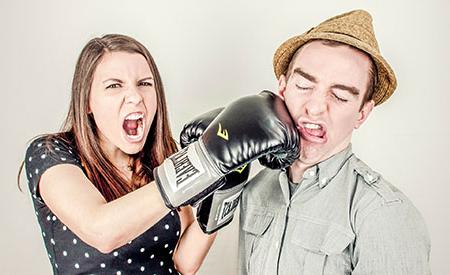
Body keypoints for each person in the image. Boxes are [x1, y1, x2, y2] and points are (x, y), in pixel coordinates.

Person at [238, 10, 431, 274]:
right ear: (282, 89)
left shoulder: (384, 215)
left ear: (361, 114)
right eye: (304, 86)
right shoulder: (255, 189)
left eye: (340, 96)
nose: (316, 108)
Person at [21, 34, 219, 275]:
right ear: (87, 103)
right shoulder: (51, 153)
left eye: (145, 83)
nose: (136, 96)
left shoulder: (163, 155)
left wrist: (225, 191)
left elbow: (183, 263)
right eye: (114, 85)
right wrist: (197, 165)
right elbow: (101, 230)